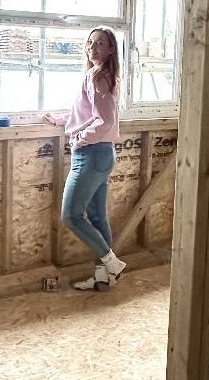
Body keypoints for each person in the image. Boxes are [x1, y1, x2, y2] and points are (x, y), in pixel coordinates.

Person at [44, 27, 127, 291]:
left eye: (100, 44)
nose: (92, 47)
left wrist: (79, 138)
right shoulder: (100, 75)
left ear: (111, 49)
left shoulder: (98, 77)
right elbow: (88, 114)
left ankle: (111, 263)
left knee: (71, 216)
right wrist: (61, 121)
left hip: (90, 156)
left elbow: (106, 121)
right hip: (100, 156)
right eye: (90, 42)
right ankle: (103, 277)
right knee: (97, 217)